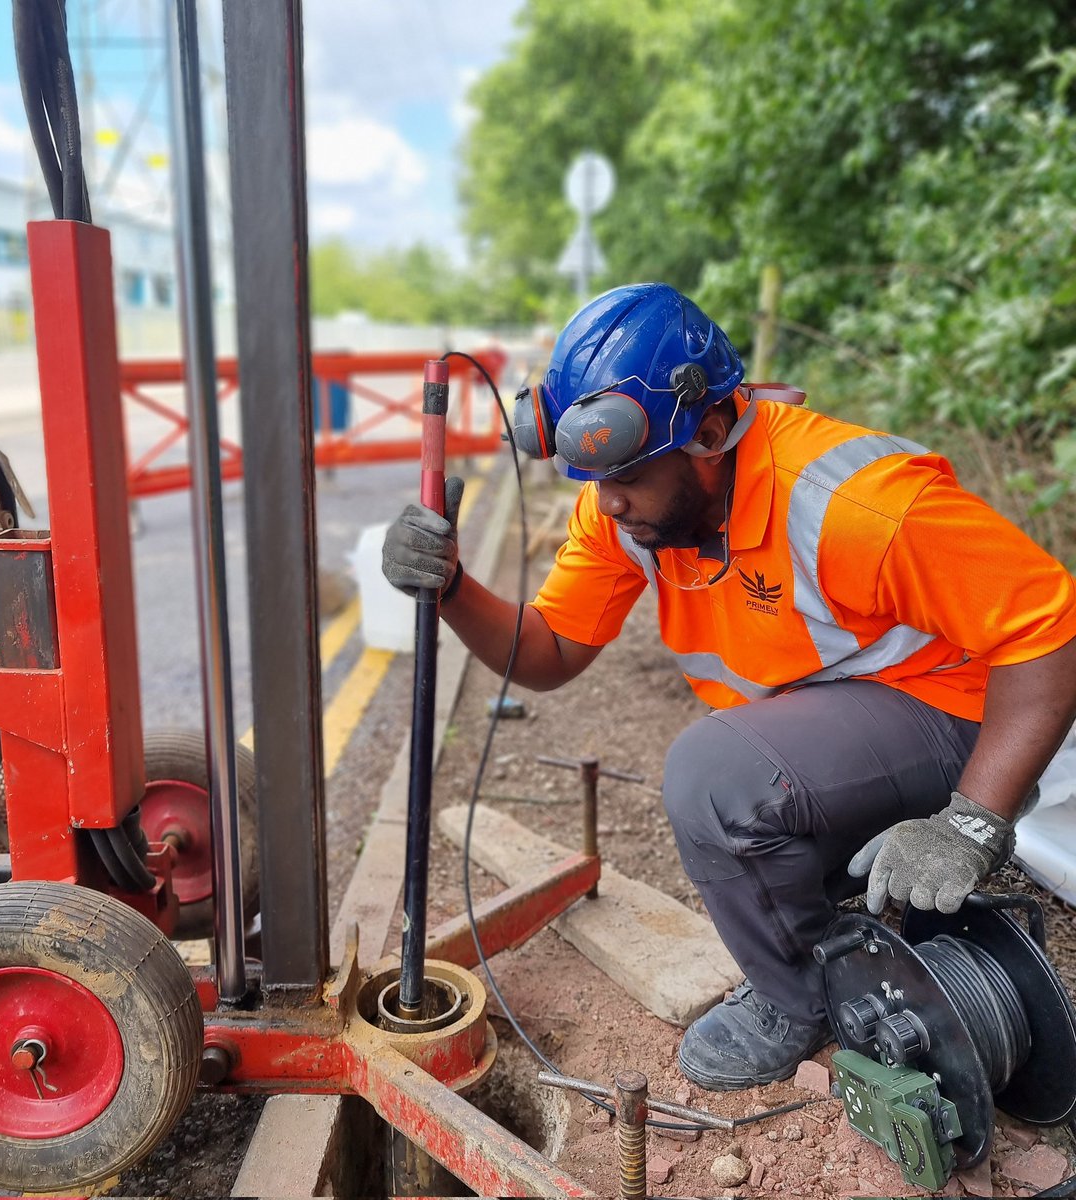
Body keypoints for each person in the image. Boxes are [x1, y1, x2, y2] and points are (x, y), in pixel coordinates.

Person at [382, 282, 1076, 1091]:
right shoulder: (628, 510)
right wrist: (452, 586)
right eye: (592, 478)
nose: (607, 502)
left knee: (716, 777)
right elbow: (550, 651)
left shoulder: (854, 506)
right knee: (747, 780)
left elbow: (1052, 630)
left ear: (710, 434)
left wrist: (972, 822)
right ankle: (834, 892)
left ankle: (799, 1001)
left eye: (626, 475)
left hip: (976, 714)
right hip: (857, 715)